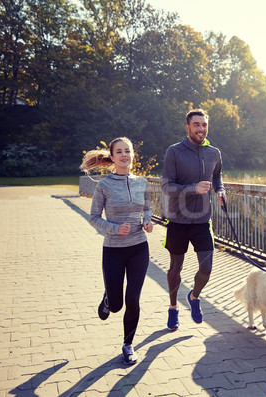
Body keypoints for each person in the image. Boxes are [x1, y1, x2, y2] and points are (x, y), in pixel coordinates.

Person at [80, 137, 153, 365]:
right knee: (117, 305)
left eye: (127, 151)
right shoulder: (104, 185)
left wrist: (148, 221)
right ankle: (107, 301)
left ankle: (128, 344)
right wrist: (114, 228)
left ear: (132, 155)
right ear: (111, 157)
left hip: (139, 248)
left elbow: (148, 208)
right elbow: (93, 218)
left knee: (133, 299)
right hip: (113, 250)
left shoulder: (142, 182)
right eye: (119, 151)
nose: (124, 155)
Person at [161, 108, 225, 331]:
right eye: (196, 125)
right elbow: (167, 187)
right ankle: (172, 308)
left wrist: (220, 190)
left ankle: (194, 296)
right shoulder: (174, 152)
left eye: (204, 125)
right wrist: (193, 189)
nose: (201, 129)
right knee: (175, 268)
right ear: (187, 127)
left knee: (206, 269)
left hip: (202, 221)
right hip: (178, 221)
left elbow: (217, 176)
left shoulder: (214, 152)